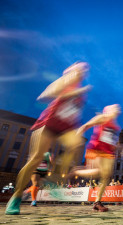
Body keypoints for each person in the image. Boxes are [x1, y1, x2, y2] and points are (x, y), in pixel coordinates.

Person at [5, 62, 90, 215]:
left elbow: (73, 112)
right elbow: (45, 95)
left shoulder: (80, 92)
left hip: (65, 127)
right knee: (36, 158)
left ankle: (57, 179)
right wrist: (72, 91)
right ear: (74, 71)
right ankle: (16, 196)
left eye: (85, 71)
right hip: (48, 123)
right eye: (81, 70)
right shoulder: (66, 80)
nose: (83, 72)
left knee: (77, 144)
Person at [67, 104, 121, 212]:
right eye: (115, 108)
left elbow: (112, 141)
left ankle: (97, 202)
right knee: (99, 172)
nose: (118, 109)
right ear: (109, 110)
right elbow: (86, 126)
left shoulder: (115, 126)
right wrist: (76, 137)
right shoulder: (102, 117)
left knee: (106, 176)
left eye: (118, 108)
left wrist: (117, 146)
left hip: (108, 152)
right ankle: (76, 172)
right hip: (97, 149)